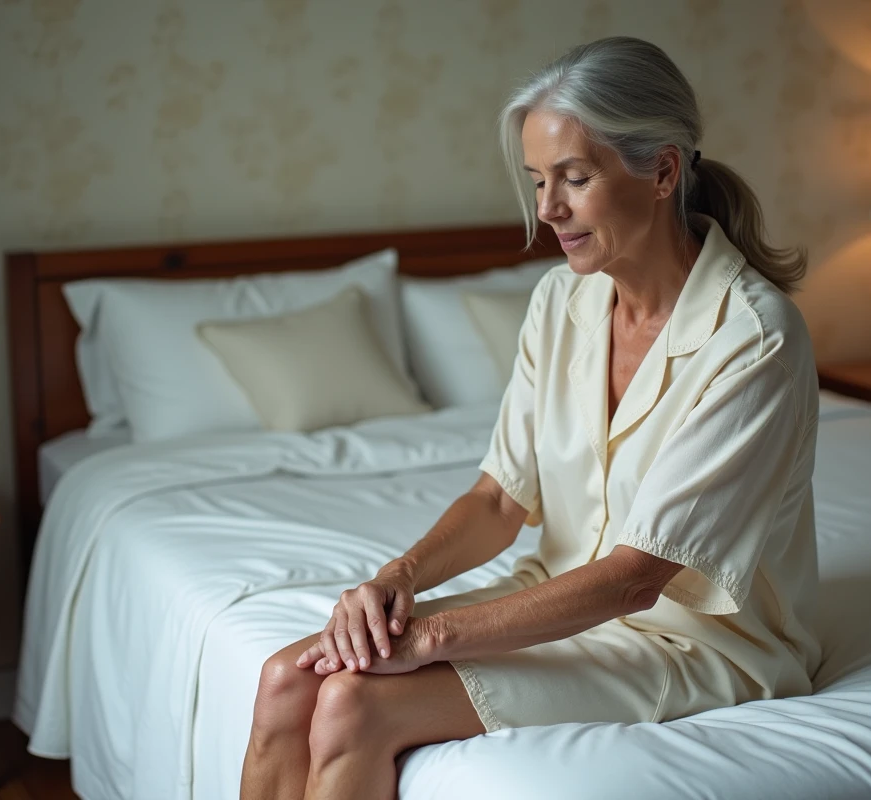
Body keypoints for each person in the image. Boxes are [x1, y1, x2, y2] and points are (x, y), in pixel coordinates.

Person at [240, 35, 822, 800]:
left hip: (694, 643)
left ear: (664, 171)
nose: (548, 209)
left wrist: (430, 639)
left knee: (351, 701)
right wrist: (394, 584)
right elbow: (498, 501)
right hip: (560, 595)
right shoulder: (561, 301)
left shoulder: (754, 338)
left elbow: (634, 581)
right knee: (287, 678)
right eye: (539, 180)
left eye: (575, 178)